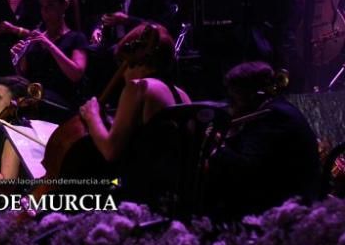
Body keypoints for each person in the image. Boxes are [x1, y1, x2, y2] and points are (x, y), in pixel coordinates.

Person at [79, 23, 191, 206]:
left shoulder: (138, 87)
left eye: (124, 63)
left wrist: (92, 116)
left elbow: (110, 150)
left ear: (136, 59)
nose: (122, 73)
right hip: (174, 195)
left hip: (139, 198)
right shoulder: (182, 95)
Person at [206, 61, 319, 219]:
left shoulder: (273, 117)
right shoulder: (277, 109)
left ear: (252, 95)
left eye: (235, 96)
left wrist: (218, 146)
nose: (231, 104)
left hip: (286, 210)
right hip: (280, 199)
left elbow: (246, 169)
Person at [11, 0, 87, 117]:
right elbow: (24, 78)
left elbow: (76, 74)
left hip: (62, 102)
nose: (45, 11)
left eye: (50, 5)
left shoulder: (76, 38)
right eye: (42, 7)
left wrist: (50, 45)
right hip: (37, 99)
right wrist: (17, 61)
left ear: (64, 5)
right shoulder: (35, 41)